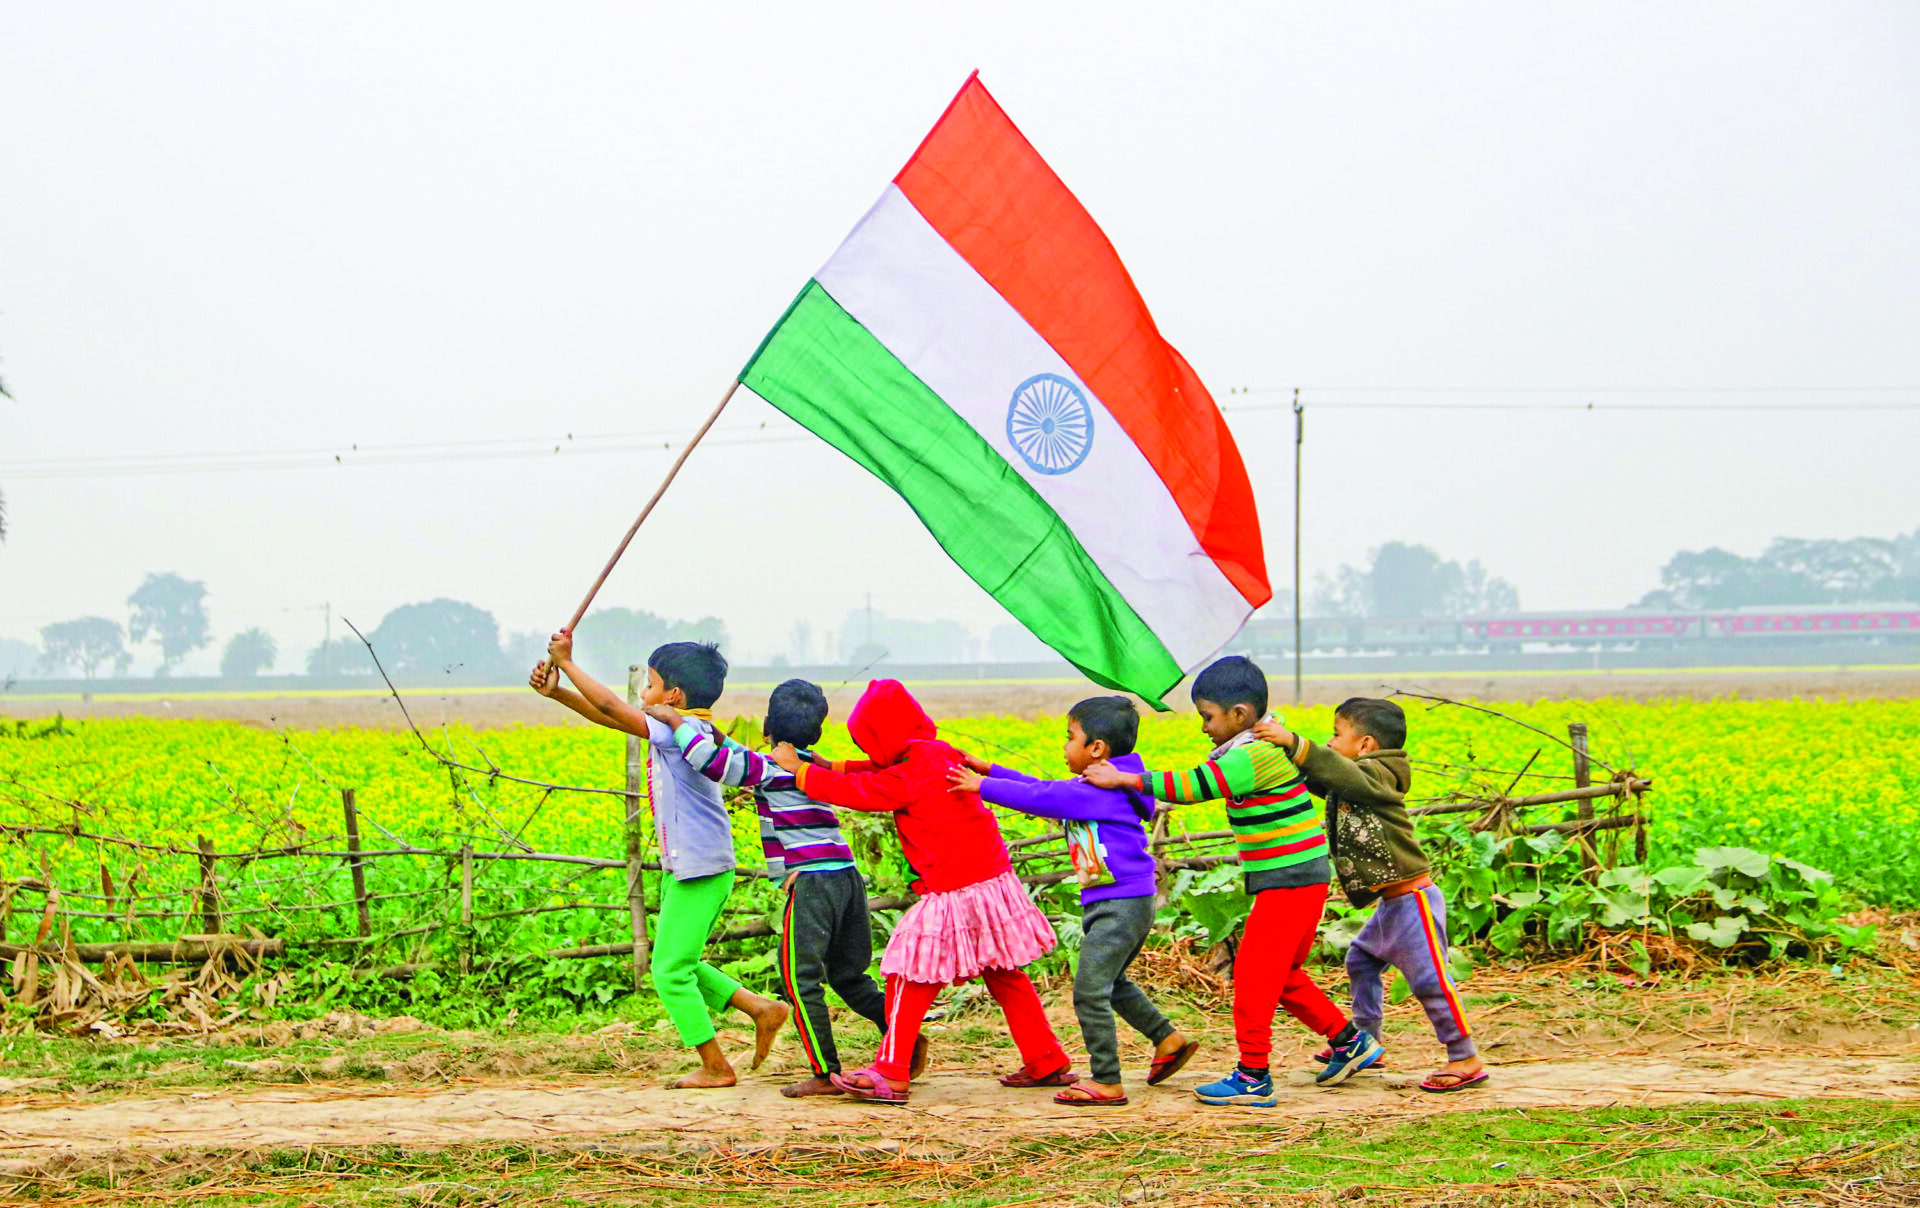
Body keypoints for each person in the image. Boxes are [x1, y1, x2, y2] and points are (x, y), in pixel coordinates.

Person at [1083, 655, 1375, 1106]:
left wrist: (1127, 779)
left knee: (1255, 975)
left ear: (1239, 715)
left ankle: (1254, 1074)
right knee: (1283, 975)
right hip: (1303, 875)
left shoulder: (1253, 752)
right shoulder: (1259, 743)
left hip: (1288, 878)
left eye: (1207, 716)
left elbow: (1201, 784)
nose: (1203, 727)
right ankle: (1348, 1040)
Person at [768, 679, 1071, 1104]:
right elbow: (878, 772)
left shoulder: (909, 773)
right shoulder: (934, 753)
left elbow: (867, 790)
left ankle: (892, 1071)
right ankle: (1046, 1060)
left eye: (870, 741)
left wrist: (802, 773)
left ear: (885, 734)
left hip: (956, 889)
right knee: (1005, 975)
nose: (871, 751)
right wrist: (829, 765)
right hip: (990, 880)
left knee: (907, 975)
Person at [530, 632, 788, 1088]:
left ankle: (715, 1066)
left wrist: (567, 664)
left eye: (648, 685)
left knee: (668, 970)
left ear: (674, 695)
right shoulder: (685, 727)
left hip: (701, 866)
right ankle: (761, 1008)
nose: (642, 695)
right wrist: (558, 693)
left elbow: (611, 709)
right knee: (678, 960)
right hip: (690, 864)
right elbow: (612, 718)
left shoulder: (677, 728)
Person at [645, 679, 926, 1097]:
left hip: (812, 883)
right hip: (847, 878)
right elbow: (735, 754)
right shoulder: (808, 763)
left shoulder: (767, 768)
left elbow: (712, 761)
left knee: (800, 981)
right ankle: (903, 1035)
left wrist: (674, 720)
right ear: (816, 732)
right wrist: (719, 735)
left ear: (765, 727)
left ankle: (824, 1071)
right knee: (849, 976)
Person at [948, 695, 1198, 1107]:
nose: (1064, 747)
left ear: (1096, 748)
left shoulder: (1098, 792)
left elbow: (1040, 798)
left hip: (1120, 901)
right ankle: (1168, 1039)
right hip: (1122, 898)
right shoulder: (1102, 784)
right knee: (1112, 984)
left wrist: (983, 787)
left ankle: (1106, 1080)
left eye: (1070, 738)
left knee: (1089, 990)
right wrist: (991, 770)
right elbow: (1043, 787)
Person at [1254, 699, 1484, 1093]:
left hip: (1414, 901)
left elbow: (1336, 771)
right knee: (1360, 961)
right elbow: (1323, 777)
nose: (1329, 741)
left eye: (1336, 734)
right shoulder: (1355, 776)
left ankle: (1465, 1056)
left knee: (1430, 980)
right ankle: (1365, 1042)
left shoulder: (1379, 775)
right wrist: (1281, 753)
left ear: (1365, 745)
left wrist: (1295, 742)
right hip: (1392, 905)